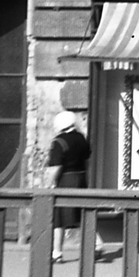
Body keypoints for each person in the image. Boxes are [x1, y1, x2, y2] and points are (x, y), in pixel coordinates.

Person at [45, 111, 101, 263]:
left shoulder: (59, 142)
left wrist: (49, 183)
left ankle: (57, 252)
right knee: (82, 214)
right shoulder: (81, 138)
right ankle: (97, 243)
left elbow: (56, 166)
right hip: (81, 177)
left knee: (59, 217)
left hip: (65, 179)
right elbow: (87, 161)